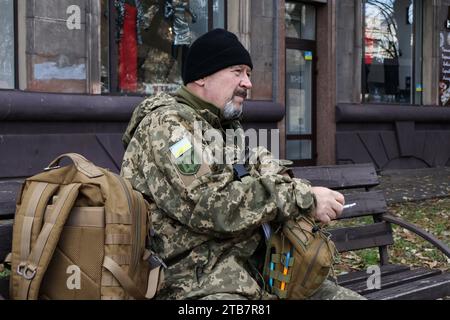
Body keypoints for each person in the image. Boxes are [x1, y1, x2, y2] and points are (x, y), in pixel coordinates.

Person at [121, 28, 365, 300]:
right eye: (237, 72)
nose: (247, 83)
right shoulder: (168, 128)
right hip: (196, 285)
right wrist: (302, 197)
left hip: (257, 274)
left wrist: (286, 182)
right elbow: (210, 205)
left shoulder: (224, 127)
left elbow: (260, 165)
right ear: (202, 76)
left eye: (248, 74)